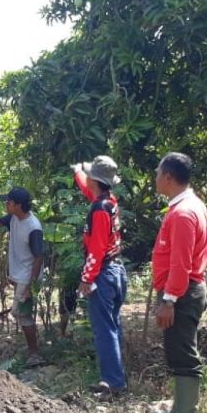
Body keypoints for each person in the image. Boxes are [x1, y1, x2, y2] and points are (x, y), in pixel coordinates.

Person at [150, 152, 207, 413]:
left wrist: (169, 300)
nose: (155, 178)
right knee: (176, 349)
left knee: (184, 352)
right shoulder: (187, 206)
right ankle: (179, 410)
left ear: (169, 177)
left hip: (183, 294)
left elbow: (180, 263)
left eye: (158, 173)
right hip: (183, 291)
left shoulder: (184, 213)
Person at [71, 155, 128, 395]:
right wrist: (78, 172)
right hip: (115, 270)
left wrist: (87, 279)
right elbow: (88, 189)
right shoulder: (108, 201)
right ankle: (116, 377)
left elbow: (97, 248)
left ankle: (113, 383)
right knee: (112, 326)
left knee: (104, 330)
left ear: (96, 180)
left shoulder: (99, 210)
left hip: (103, 274)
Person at [0, 187, 45, 366]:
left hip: (28, 277)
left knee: (23, 314)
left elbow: (38, 258)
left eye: (9, 202)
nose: (6, 204)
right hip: (21, 275)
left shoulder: (33, 227)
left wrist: (29, 286)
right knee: (21, 313)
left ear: (18, 205)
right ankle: (31, 348)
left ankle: (35, 353)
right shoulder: (14, 218)